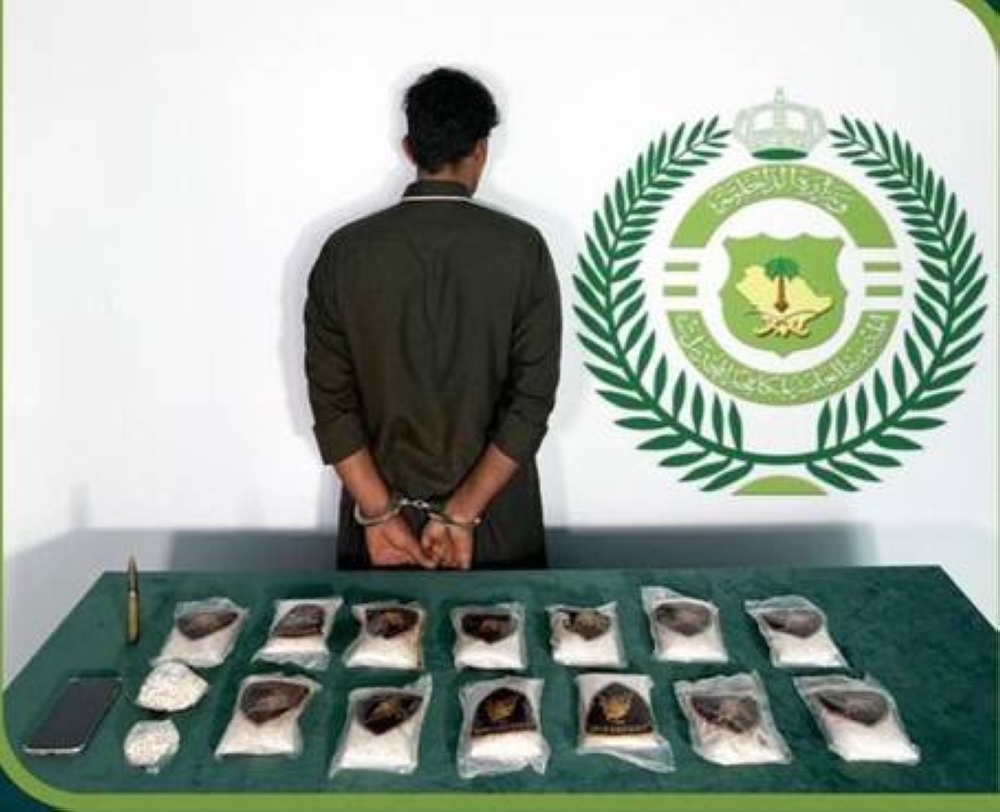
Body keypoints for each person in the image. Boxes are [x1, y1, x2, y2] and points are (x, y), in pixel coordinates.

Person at [304, 67, 562, 571]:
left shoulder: (344, 253)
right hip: (495, 524)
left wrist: (380, 515)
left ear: (409, 149)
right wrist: (462, 513)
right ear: (481, 150)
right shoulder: (522, 249)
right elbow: (530, 405)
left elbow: (331, 406)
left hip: (380, 532)